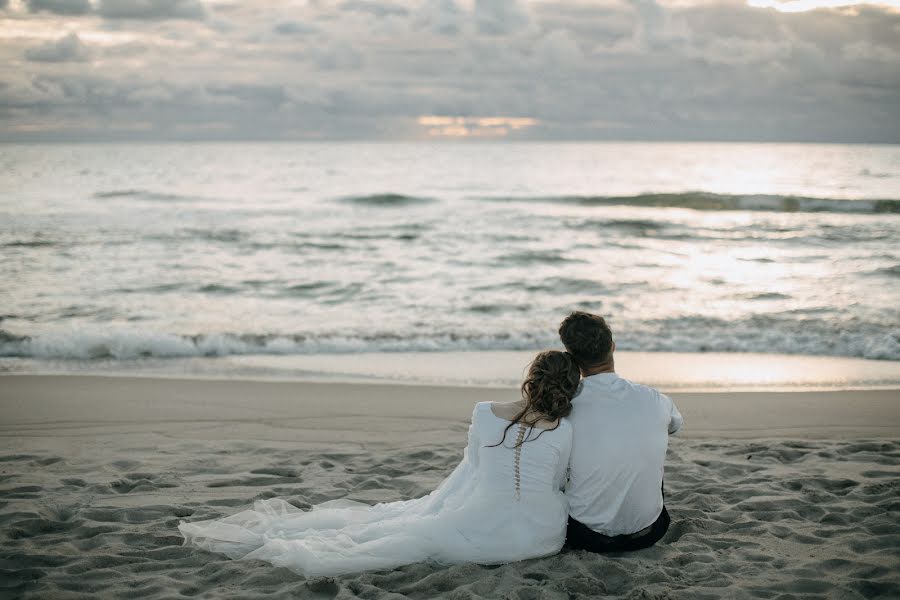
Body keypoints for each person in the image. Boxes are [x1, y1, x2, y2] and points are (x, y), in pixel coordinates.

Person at [178, 350, 580, 577]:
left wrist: (443, 506)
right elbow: (557, 483)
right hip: (538, 538)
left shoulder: (484, 412)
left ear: (530, 377)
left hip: (488, 530)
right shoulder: (565, 431)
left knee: (406, 526)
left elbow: (474, 471)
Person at [559, 311, 683, 552]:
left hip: (585, 536)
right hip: (650, 532)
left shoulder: (565, 405)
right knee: (639, 445)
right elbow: (674, 426)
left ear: (571, 357)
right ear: (613, 347)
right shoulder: (654, 399)